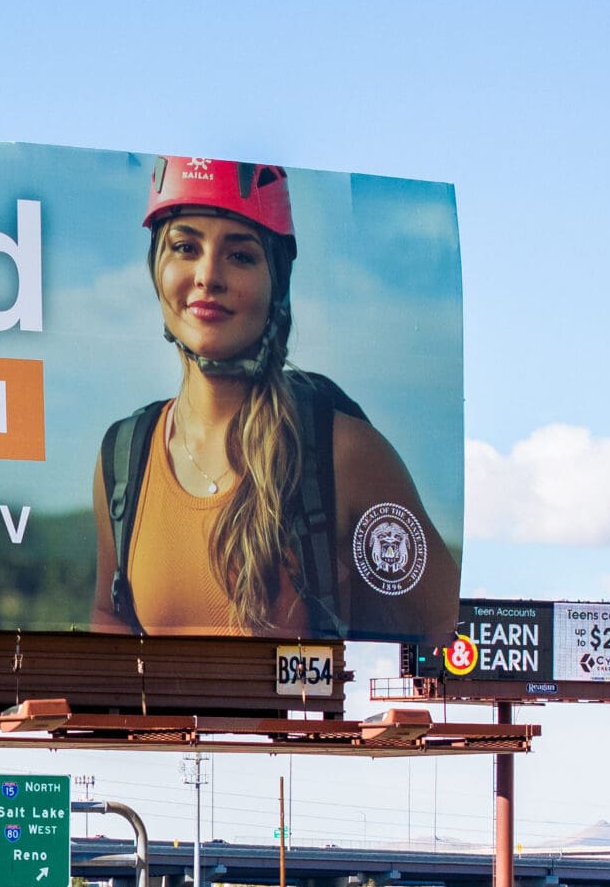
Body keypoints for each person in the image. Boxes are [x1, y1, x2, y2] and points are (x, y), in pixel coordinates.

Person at [91, 156, 457, 640]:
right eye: (185, 247)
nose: (208, 276)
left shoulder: (342, 454)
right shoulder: (124, 457)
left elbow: (449, 632)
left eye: (240, 255)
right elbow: (110, 615)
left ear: (276, 283)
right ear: (156, 268)